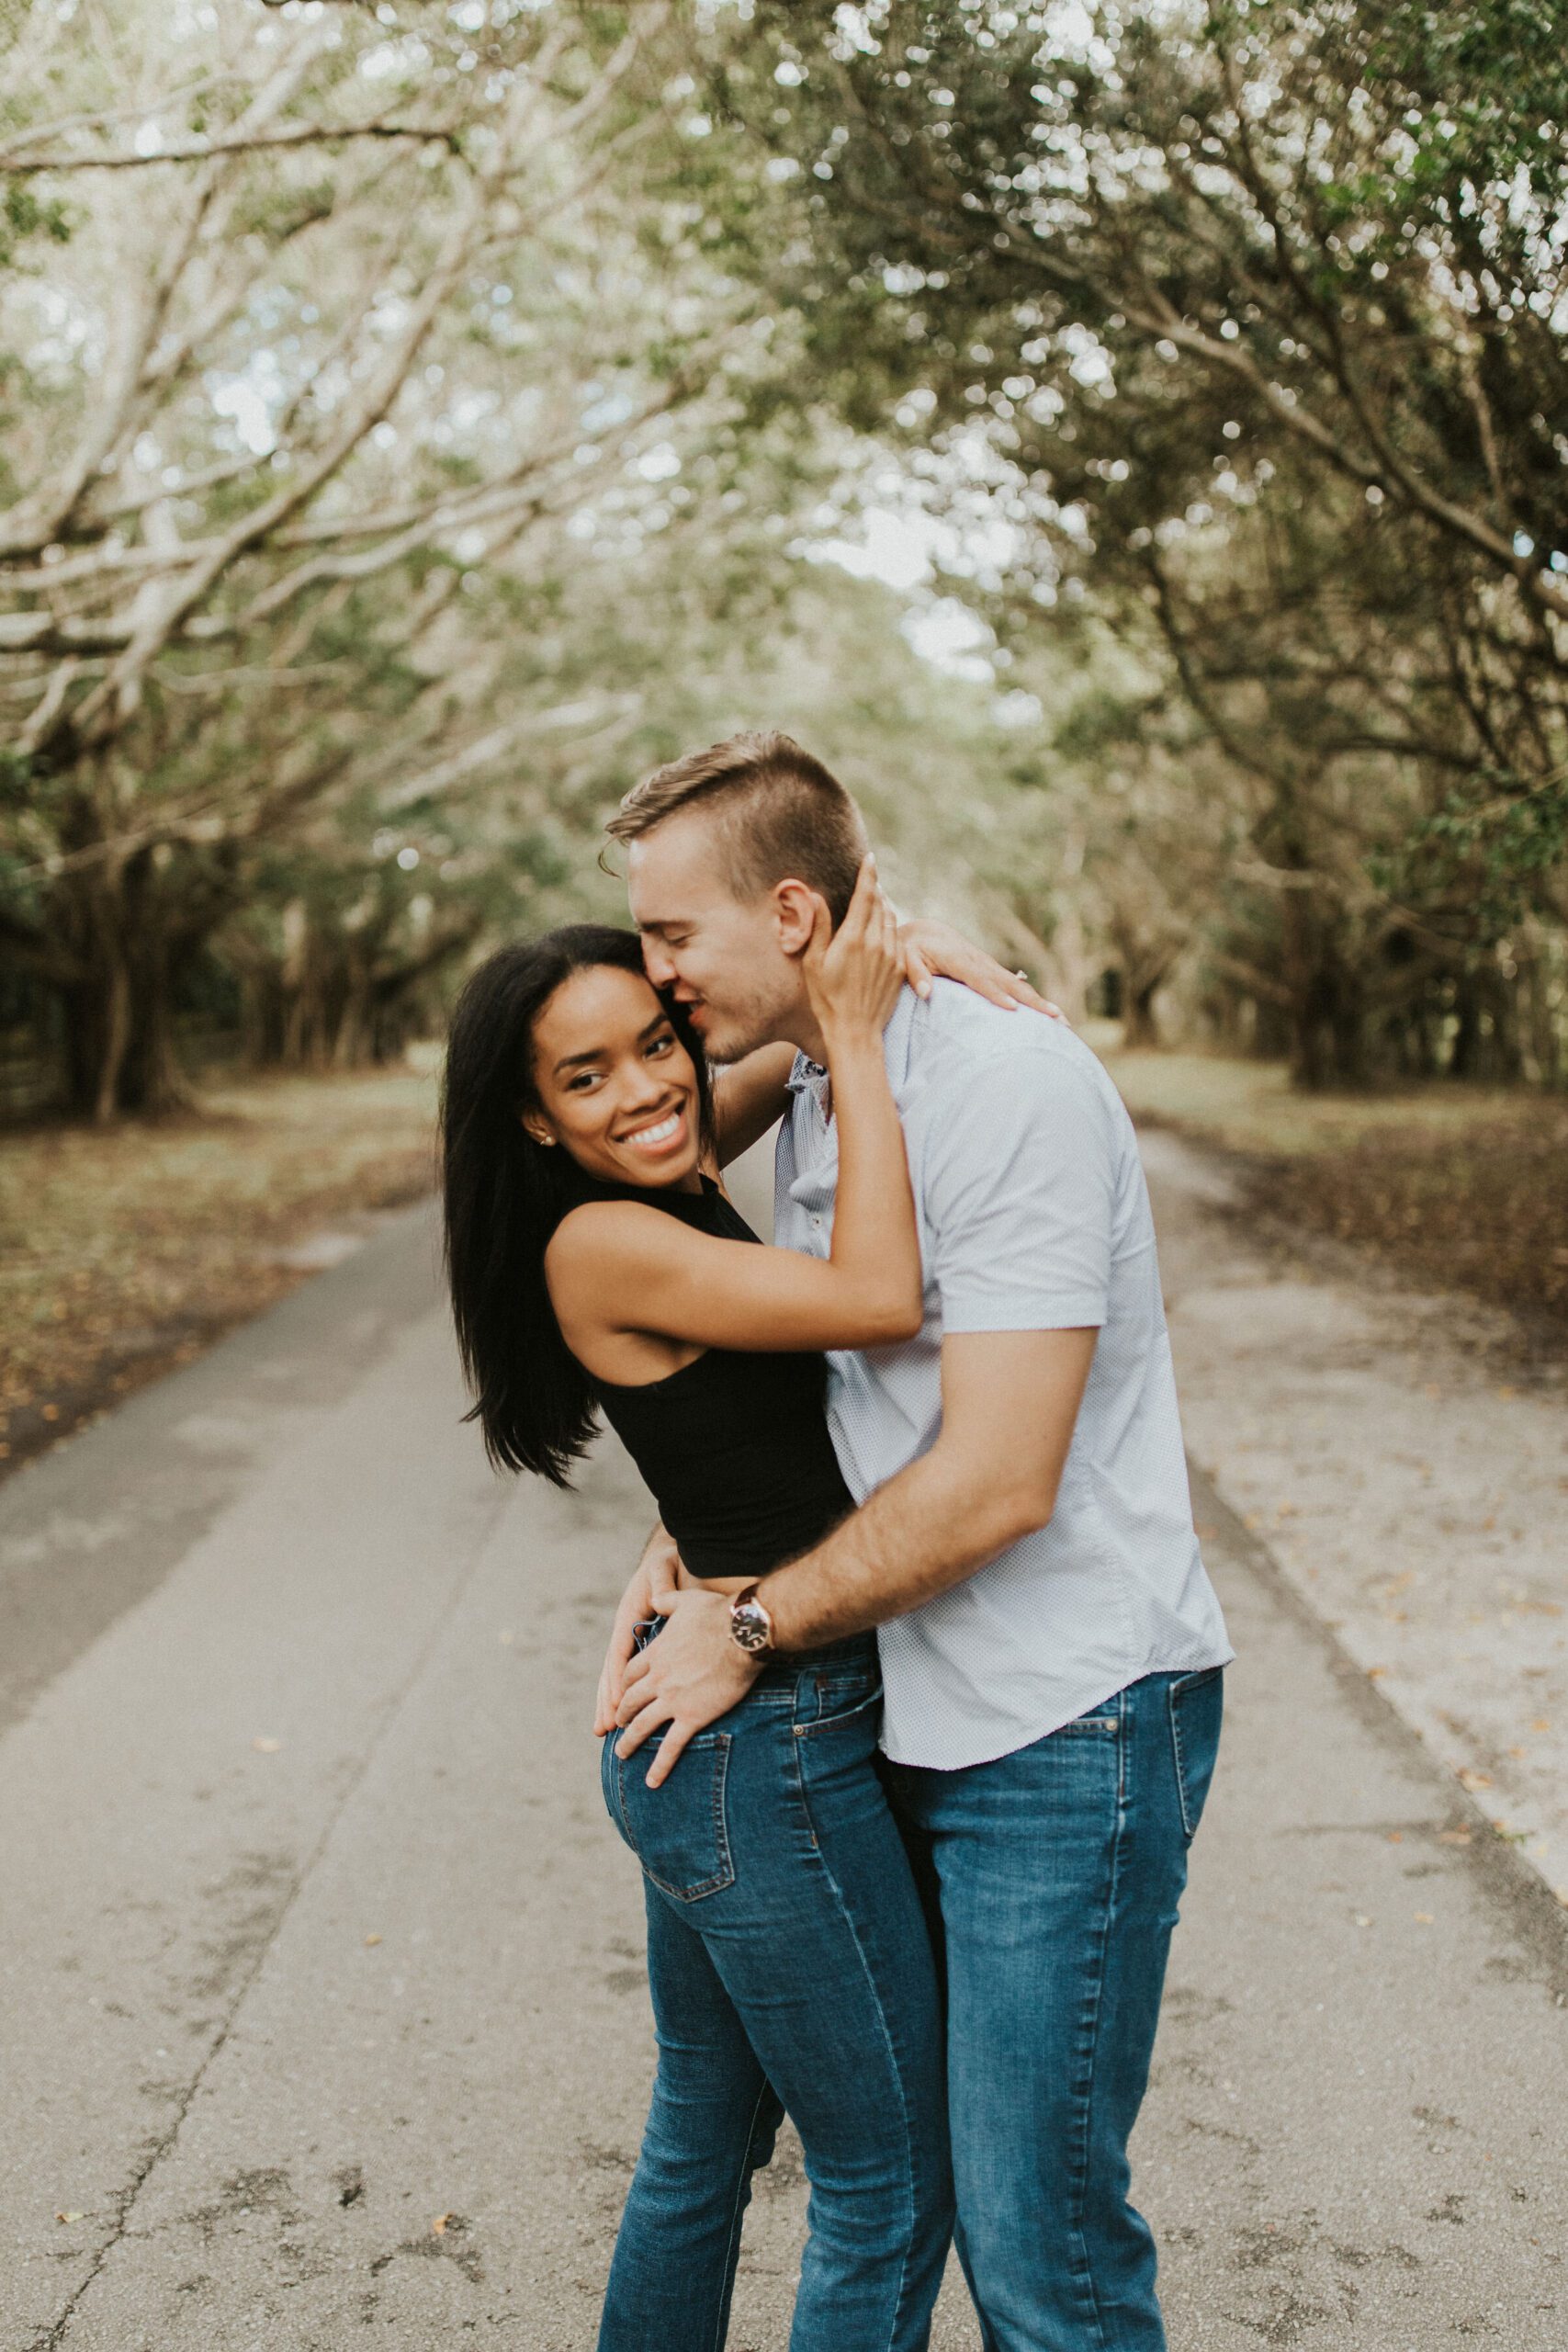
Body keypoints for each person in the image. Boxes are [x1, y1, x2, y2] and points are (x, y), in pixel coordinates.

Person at [601, 730, 1235, 2352]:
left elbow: (999, 1478)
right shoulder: (814, 1069)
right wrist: (695, 1541)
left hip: (1063, 1718)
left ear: (798, 914)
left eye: (674, 939)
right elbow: (642, 1197)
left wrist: (749, 1628)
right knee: (876, 2179)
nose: (653, 978)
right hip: (894, 1697)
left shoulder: (1004, 1083)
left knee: (1043, 2257)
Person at [440, 874, 1051, 2349]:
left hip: (722, 1727)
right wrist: (850, 1013)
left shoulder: (661, 1157)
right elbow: (884, 1295)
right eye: (587, 1075)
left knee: (701, 2145)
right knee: (889, 2181)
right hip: (760, 1743)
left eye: (657, 1039)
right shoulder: (609, 1239)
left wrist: (895, 963)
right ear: (537, 1120)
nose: (648, 1087)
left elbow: (771, 1050)